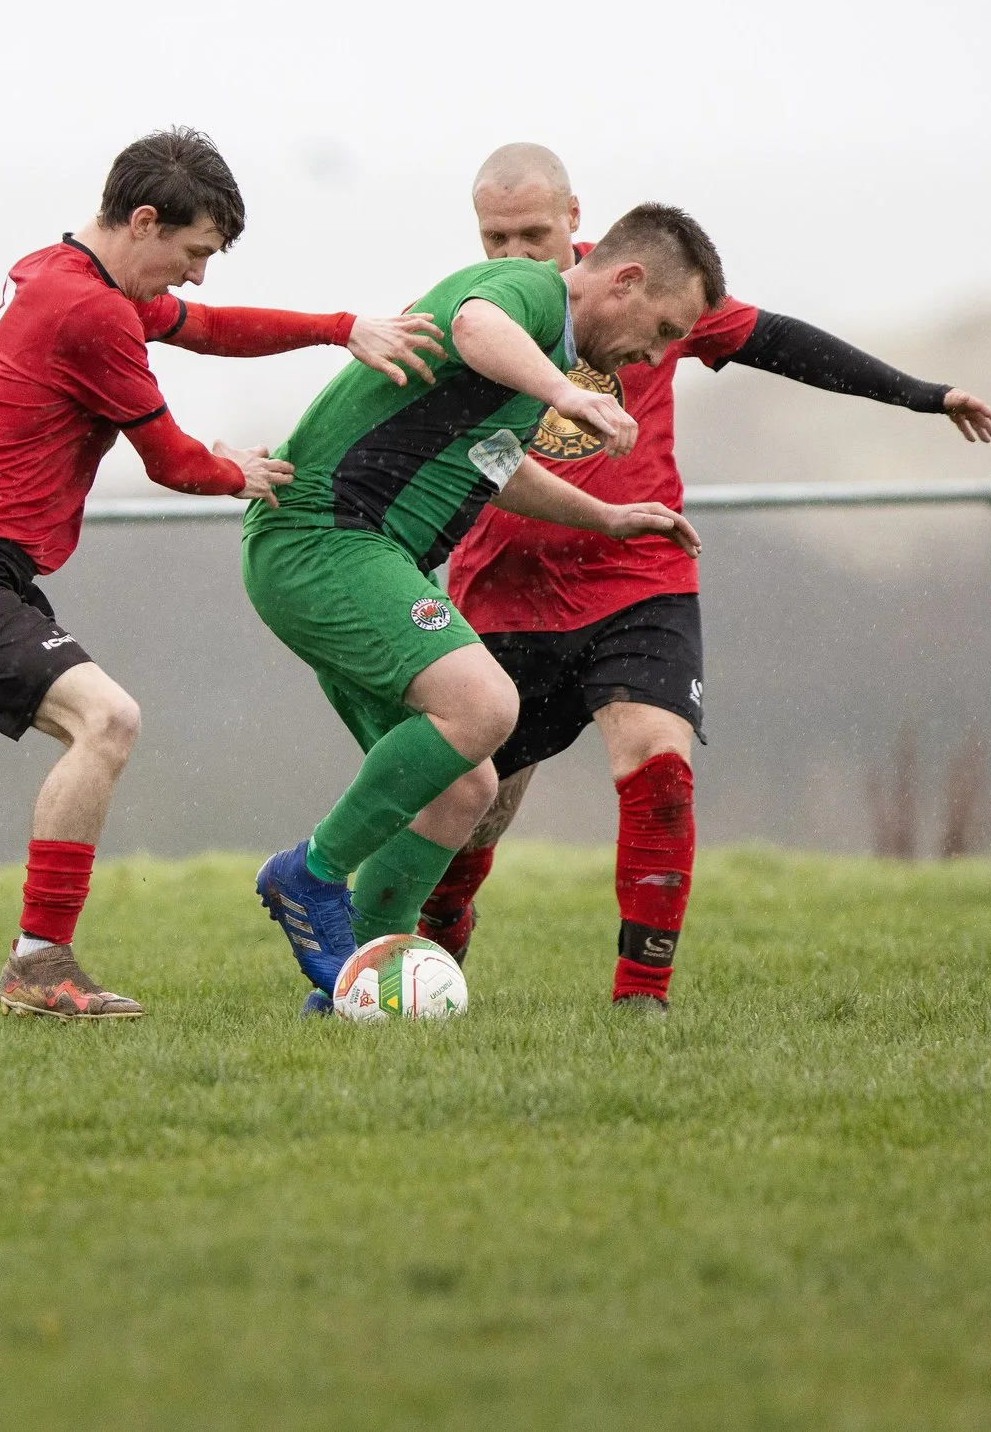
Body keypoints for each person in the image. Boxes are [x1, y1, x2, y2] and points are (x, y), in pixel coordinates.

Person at [0, 128, 448, 1028]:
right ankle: (39, 962)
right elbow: (171, 461)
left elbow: (209, 331)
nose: (197, 277)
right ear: (144, 221)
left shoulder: (58, 273)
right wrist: (236, 472)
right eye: (193, 253)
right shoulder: (91, 312)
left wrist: (343, 330)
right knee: (108, 720)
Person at [418, 143, 991, 1013]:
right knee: (478, 807)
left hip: (640, 578)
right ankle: (432, 952)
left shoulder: (642, 290)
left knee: (658, 764)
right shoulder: (477, 318)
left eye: (532, 233)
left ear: (577, 221)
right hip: (507, 593)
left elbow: (779, 342)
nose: (513, 255)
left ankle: (642, 1000)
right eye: (494, 236)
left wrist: (921, 393)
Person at [244, 204, 717, 1007]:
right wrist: (568, 391)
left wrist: (607, 517)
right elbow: (472, 324)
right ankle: (309, 874)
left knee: (465, 787)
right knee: (486, 703)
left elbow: (496, 463)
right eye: (665, 328)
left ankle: (351, 988)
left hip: (366, 557)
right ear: (626, 281)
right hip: (324, 536)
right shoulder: (532, 293)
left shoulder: (529, 372)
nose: (658, 353)